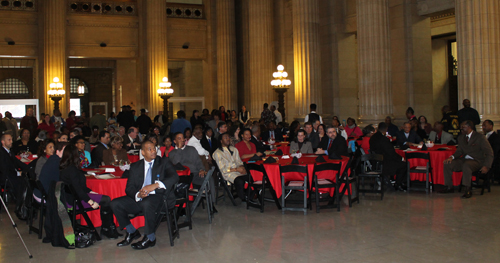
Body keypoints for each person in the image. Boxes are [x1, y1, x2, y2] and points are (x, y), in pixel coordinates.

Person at [110, 141, 179, 249]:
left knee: (147, 203)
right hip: (141, 197)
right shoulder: (135, 166)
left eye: (154, 148)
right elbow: (129, 188)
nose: (153, 151)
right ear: (142, 152)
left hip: (160, 197)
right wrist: (138, 194)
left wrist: (155, 185)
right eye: (149, 149)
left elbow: (174, 177)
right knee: (115, 203)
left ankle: (150, 238)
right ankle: (131, 231)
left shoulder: (163, 162)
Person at [59, 144, 120, 239]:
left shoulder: (66, 167)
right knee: (106, 199)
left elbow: (79, 187)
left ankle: (108, 227)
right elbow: (78, 190)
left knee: (104, 198)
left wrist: (91, 191)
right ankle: (107, 229)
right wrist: (90, 202)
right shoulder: (72, 170)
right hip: (75, 200)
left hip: (70, 197)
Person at [439, 121, 494, 198]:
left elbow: (489, 153)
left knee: (467, 165)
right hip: (465, 159)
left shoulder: (480, 137)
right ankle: (449, 187)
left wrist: (487, 166)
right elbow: (459, 151)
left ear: (469, 127)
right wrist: (451, 157)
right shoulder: (461, 137)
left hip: (477, 161)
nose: (461, 129)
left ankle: (467, 189)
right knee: (447, 163)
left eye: (463, 127)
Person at [369, 123, 408, 191]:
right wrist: (401, 158)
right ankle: (398, 184)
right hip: (384, 163)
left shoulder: (373, 138)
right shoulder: (383, 139)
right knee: (404, 165)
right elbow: (391, 153)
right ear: (386, 129)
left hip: (376, 161)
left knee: (399, 162)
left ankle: (395, 181)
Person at [212, 133, 250, 202]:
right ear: (221, 141)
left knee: (250, 177)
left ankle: (248, 195)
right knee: (240, 181)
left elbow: (239, 161)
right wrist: (236, 169)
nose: (228, 139)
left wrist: (242, 168)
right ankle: (244, 198)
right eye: (225, 138)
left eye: (228, 137)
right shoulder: (217, 153)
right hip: (228, 173)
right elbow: (222, 169)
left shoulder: (234, 149)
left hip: (237, 170)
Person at [0, 133, 28, 219]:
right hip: (5, 178)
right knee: (22, 182)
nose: (11, 142)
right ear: (3, 142)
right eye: (9, 140)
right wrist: (17, 173)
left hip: (11, 175)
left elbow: (17, 162)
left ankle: (25, 203)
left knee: (25, 179)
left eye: (11, 139)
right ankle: (20, 207)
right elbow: (4, 170)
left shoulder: (9, 152)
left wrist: (28, 168)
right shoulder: (1, 153)